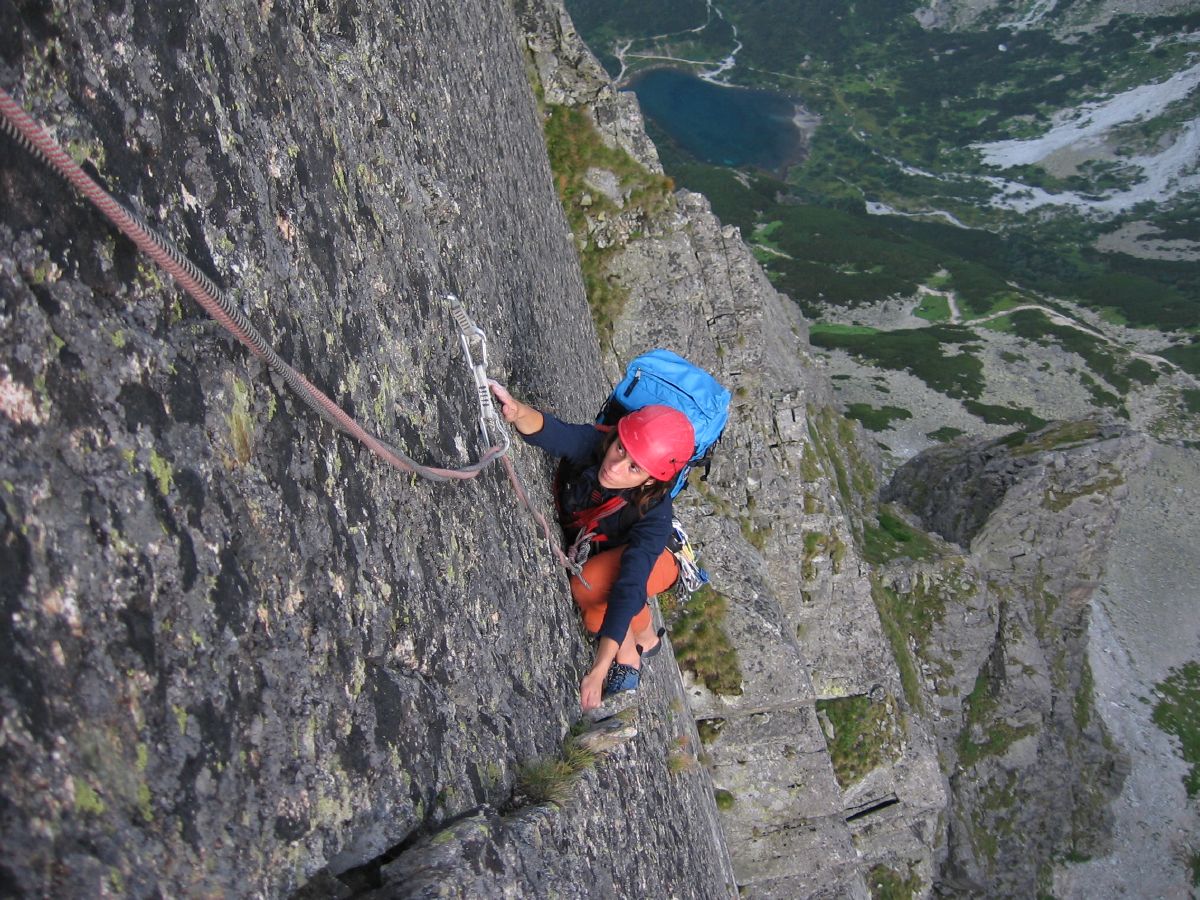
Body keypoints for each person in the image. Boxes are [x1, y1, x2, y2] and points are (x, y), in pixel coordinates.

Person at [489, 380, 694, 713]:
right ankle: (644, 640)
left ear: (652, 480)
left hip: (660, 560)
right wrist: (517, 412)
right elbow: (557, 433)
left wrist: (600, 667)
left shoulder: (655, 515)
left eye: (634, 468)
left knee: (591, 589)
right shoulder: (599, 444)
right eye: (621, 448)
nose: (614, 466)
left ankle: (630, 656)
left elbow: (630, 583)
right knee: (597, 591)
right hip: (611, 552)